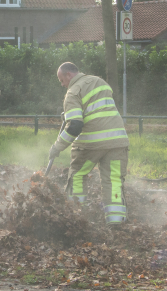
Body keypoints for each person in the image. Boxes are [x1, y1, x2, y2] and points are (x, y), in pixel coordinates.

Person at [48, 62, 130, 225]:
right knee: (113, 181)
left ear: (68, 75)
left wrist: (56, 147)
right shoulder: (100, 82)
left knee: (78, 175)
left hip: (92, 143)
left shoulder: (72, 92)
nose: (63, 85)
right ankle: (116, 223)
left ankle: (76, 217)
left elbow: (75, 126)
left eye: (61, 80)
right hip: (117, 141)